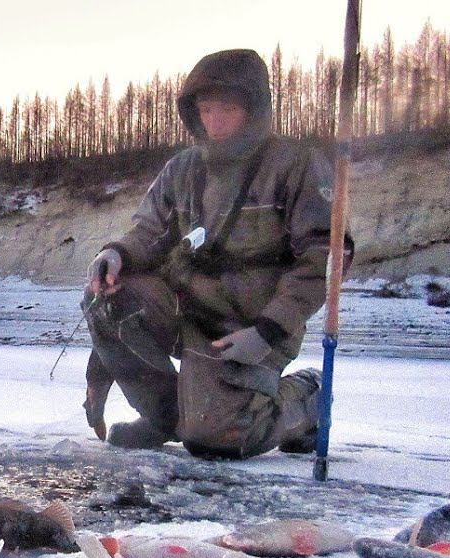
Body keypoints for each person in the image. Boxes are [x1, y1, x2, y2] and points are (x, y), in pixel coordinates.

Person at [81, 48, 350, 459]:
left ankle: (306, 397)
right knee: (108, 299)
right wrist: (116, 254)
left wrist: (268, 331)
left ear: (253, 109)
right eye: (206, 110)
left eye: (227, 109)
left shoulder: (295, 165)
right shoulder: (183, 169)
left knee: (217, 440)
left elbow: (323, 256)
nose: (215, 122)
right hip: (185, 310)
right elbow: (149, 232)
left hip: (249, 326)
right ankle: (167, 417)